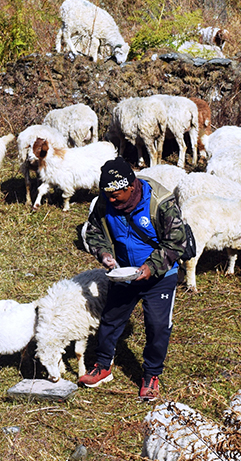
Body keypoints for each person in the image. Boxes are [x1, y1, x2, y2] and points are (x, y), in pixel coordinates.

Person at [79, 157, 188, 400]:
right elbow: (94, 231)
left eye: (116, 194)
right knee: (110, 319)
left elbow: (176, 241)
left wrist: (151, 267)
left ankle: (151, 375)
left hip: (160, 276)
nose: (112, 199)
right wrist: (105, 254)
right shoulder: (105, 201)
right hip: (124, 273)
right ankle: (103, 365)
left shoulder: (161, 203)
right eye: (107, 194)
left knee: (158, 326)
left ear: (131, 186)